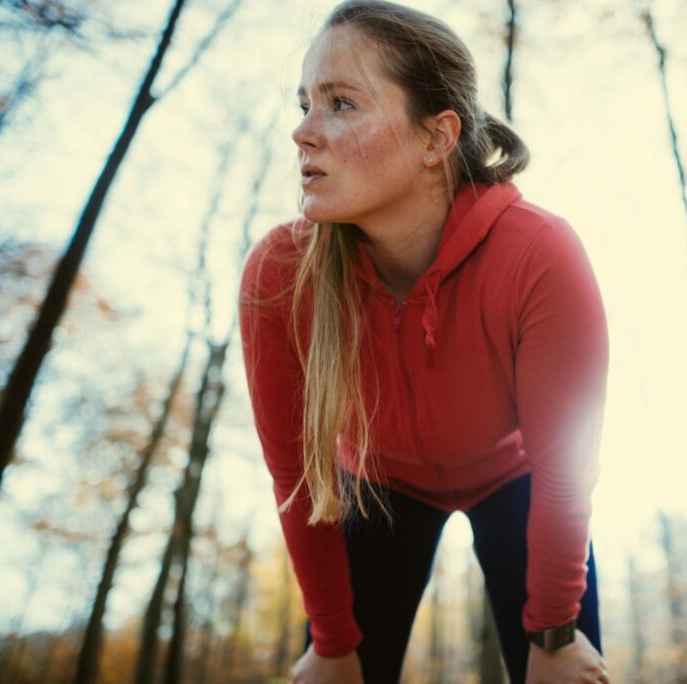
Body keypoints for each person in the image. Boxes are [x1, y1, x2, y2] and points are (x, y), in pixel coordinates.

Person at [238, 1, 610, 682]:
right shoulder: (280, 274)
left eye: (340, 103)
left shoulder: (538, 254)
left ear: (436, 139)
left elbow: (566, 465)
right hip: (377, 485)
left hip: (517, 477)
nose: (301, 133)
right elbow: (298, 477)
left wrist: (557, 633)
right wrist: (329, 641)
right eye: (303, 104)